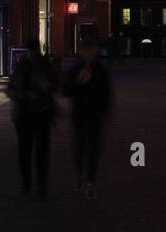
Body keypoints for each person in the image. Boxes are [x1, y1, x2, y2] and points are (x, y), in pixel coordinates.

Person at [61, 38, 113, 199]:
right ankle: (80, 178)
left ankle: (90, 181)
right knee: (80, 149)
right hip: (80, 115)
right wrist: (78, 82)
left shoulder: (101, 70)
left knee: (93, 150)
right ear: (81, 51)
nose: (90, 53)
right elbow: (66, 91)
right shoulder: (75, 69)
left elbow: (106, 93)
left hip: (95, 115)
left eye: (93, 50)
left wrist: (104, 112)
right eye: (87, 50)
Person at [7, 40, 57, 199]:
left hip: (40, 113)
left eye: (34, 52)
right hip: (26, 114)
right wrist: (22, 95)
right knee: (27, 150)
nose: (33, 55)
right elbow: (11, 89)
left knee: (38, 150)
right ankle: (29, 182)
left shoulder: (41, 65)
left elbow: (56, 84)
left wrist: (47, 87)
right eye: (31, 52)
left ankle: (38, 184)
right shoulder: (25, 66)